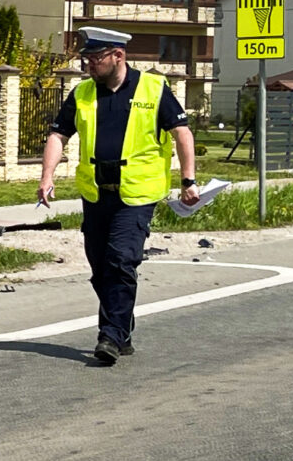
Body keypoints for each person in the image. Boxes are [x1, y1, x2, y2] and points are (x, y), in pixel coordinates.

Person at [38, 27, 200, 365]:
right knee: (100, 268)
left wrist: (188, 180)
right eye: (87, 60)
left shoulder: (154, 89)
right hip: (97, 194)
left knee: (121, 260)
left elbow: (182, 134)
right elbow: (58, 135)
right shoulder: (82, 93)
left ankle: (110, 336)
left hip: (138, 194)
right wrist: (47, 176)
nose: (89, 66)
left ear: (118, 56)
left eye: (96, 59)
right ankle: (122, 326)